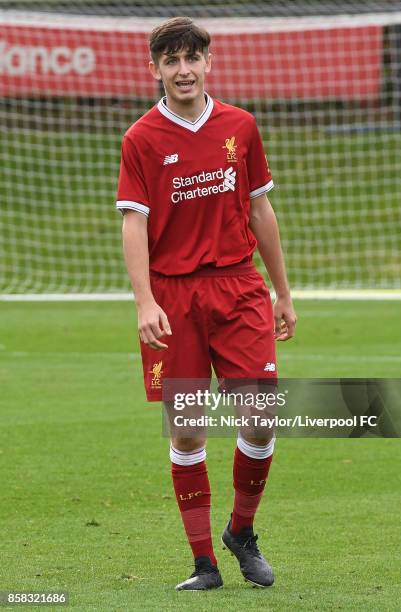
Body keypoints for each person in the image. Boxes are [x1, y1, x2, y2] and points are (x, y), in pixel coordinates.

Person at [116, 16, 297, 591]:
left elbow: (261, 212)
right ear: (156, 70)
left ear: (208, 63)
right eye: (171, 61)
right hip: (174, 296)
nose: (184, 69)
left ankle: (242, 531)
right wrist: (145, 302)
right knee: (189, 432)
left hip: (239, 287)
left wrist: (283, 292)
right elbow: (133, 223)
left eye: (192, 58)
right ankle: (205, 564)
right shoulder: (141, 138)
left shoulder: (240, 127)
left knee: (261, 417)